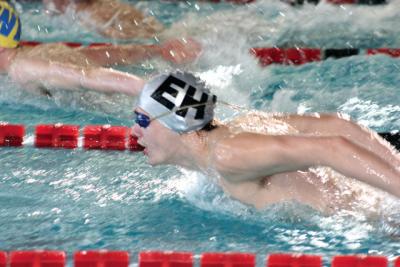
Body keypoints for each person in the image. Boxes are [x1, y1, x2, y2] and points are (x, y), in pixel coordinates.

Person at [131, 71, 400, 214]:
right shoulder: (241, 126)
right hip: (375, 204)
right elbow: (337, 124)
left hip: (378, 222)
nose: (134, 131)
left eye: (142, 120)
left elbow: (332, 147)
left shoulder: (228, 155)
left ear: (176, 122)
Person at [0, 1, 201, 96]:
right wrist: (157, 50)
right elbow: (99, 55)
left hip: (115, 102)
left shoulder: (24, 69)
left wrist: (150, 90)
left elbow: (87, 76)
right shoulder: (34, 54)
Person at [42, 0, 163, 40]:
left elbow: (125, 38)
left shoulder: (90, 16)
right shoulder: (72, 10)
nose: (46, 3)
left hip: (161, 36)